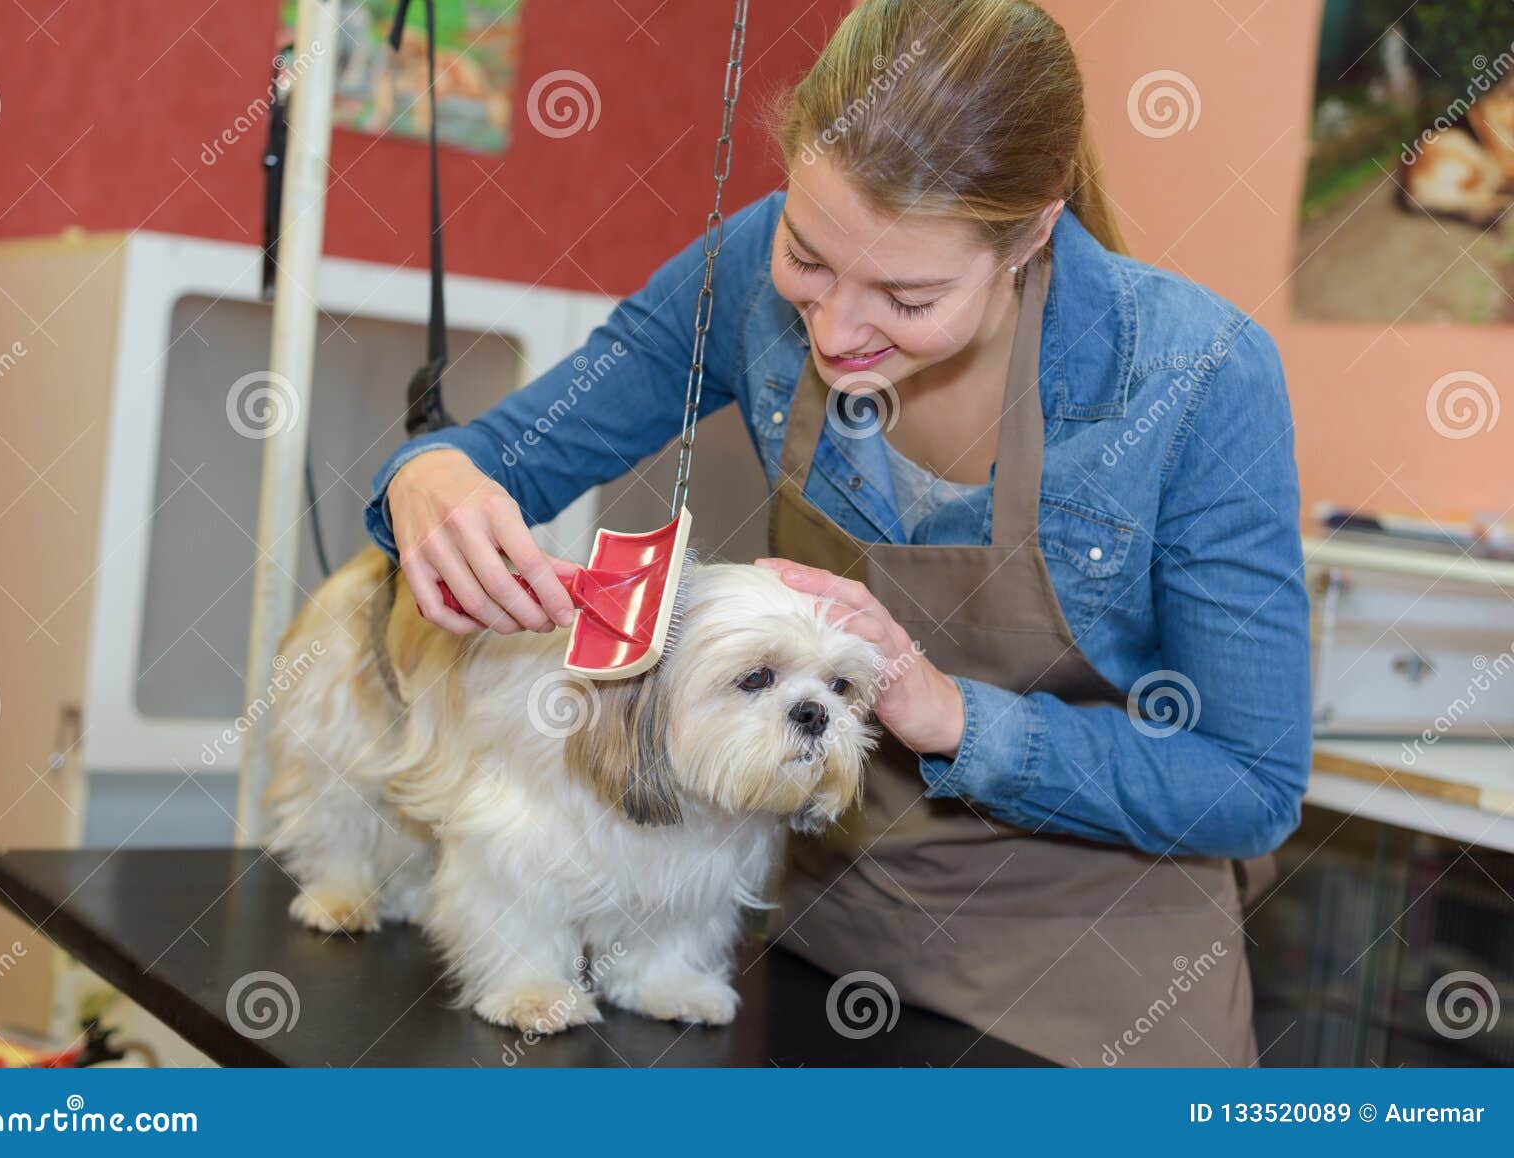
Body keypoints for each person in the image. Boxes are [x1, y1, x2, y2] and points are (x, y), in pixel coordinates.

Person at [363, 0, 1311, 1067]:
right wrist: (430, 474)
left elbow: (1250, 785)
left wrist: (954, 716)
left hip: (1100, 986)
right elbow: (507, 452)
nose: (836, 329)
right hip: (831, 939)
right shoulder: (744, 270)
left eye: (907, 296)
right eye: (808, 258)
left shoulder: (1195, 376)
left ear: (1031, 233)